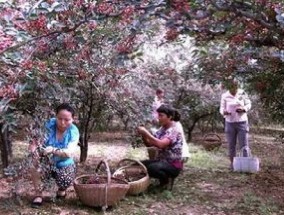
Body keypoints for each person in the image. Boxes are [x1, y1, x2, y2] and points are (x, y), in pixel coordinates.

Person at [29, 103, 80, 208]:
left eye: (67, 120)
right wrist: (34, 152)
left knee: (65, 179)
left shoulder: (73, 131)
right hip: (47, 161)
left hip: (64, 163)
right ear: (55, 116)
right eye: (59, 118)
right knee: (34, 164)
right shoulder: (49, 125)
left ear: (72, 119)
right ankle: (38, 195)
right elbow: (35, 141)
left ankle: (62, 190)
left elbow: (69, 152)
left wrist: (53, 150)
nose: (62, 122)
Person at [137, 104, 183, 190]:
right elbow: (150, 144)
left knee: (152, 168)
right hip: (162, 161)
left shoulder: (175, 129)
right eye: (158, 115)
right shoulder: (162, 129)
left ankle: (166, 182)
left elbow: (161, 144)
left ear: (170, 117)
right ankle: (163, 181)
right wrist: (143, 135)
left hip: (174, 165)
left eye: (161, 115)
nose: (158, 118)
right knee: (140, 165)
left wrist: (146, 132)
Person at [219, 79, 251, 170]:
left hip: (242, 122)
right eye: (232, 87)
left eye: (236, 86)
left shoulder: (242, 93)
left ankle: (245, 165)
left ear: (237, 85)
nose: (234, 89)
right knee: (231, 145)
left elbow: (249, 104)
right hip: (230, 123)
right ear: (229, 87)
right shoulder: (225, 95)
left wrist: (244, 109)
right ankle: (233, 165)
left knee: (244, 145)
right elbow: (221, 108)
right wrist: (224, 112)